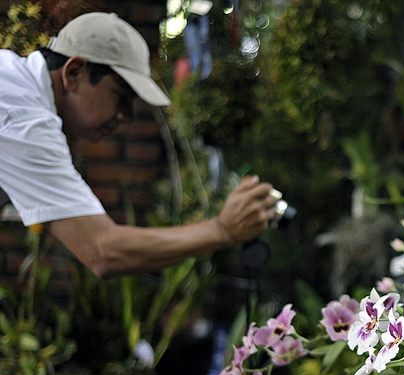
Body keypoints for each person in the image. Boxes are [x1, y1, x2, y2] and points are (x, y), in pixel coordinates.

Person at [0, 12, 278, 279]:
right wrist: (223, 229)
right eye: (121, 97)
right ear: (73, 73)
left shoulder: (13, 82)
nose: (127, 117)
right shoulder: (24, 120)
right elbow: (103, 250)